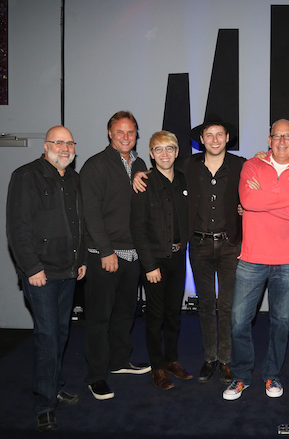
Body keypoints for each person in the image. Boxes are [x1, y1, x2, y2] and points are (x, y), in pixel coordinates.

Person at [133, 115, 246, 385]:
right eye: (210, 135)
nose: (215, 139)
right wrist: (140, 174)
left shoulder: (243, 166)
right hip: (199, 245)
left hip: (231, 245)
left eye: (220, 134)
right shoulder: (187, 165)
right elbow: (161, 166)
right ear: (201, 140)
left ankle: (226, 360)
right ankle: (210, 359)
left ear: (227, 138)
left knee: (227, 306)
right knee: (205, 305)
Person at [222, 119, 289, 400]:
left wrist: (266, 199)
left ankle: (272, 375)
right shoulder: (252, 166)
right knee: (239, 320)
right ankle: (240, 377)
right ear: (269, 140)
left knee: (280, 321)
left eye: (288, 136)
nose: (282, 141)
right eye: (277, 136)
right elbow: (249, 202)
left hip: (288, 260)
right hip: (252, 258)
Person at [6, 126, 85, 431]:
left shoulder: (74, 179)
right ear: (46, 145)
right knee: (47, 335)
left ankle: (55, 386)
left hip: (68, 271)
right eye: (58, 143)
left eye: (69, 143)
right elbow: (18, 227)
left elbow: (78, 223)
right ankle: (44, 404)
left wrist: (80, 262)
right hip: (40, 274)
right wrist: (31, 268)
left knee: (61, 334)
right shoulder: (26, 176)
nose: (64, 148)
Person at [80, 111, 150, 401]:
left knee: (124, 314)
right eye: (120, 132)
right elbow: (90, 213)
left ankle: (119, 361)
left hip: (132, 255)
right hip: (105, 256)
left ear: (136, 135)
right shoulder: (95, 165)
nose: (125, 137)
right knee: (99, 318)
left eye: (130, 132)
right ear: (110, 133)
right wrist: (106, 251)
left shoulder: (140, 163)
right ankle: (96, 377)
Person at [130, 131, 193, 390]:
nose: (165, 154)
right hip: (155, 260)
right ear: (151, 153)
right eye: (159, 149)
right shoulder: (143, 183)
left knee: (173, 314)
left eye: (170, 149)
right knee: (154, 316)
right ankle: (156, 367)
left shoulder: (183, 181)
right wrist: (149, 265)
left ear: (177, 152)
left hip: (179, 257)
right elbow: (138, 228)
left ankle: (171, 360)